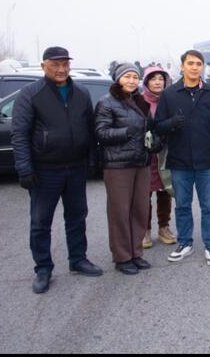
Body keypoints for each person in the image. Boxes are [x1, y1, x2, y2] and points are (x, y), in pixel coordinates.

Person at [11, 46, 103, 294]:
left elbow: (90, 129)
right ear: (44, 67)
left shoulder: (81, 93)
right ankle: (43, 268)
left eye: (65, 64)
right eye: (55, 65)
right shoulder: (30, 94)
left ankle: (78, 259)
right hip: (45, 170)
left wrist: (92, 161)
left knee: (77, 216)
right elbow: (19, 135)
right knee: (41, 222)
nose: (61, 69)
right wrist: (24, 168)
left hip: (75, 168)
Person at [154, 50, 210, 268]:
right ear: (182, 66)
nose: (194, 67)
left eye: (198, 64)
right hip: (179, 161)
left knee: (209, 206)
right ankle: (185, 242)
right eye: (190, 63)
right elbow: (158, 126)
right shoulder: (169, 94)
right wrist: (171, 123)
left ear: (203, 67)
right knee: (182, 205)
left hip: (206, 162)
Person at [94, 63, 157, 275]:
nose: (131, 81)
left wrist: (154, 142)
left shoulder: (140, 101)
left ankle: (136, 252)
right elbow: (101, 132)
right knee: (119, 211)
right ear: (118, 79)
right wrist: (125, 132)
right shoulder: (107, 102)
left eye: (134, 77)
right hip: (118, 165)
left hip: (141, 162)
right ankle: (122, 257)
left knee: (140, 209)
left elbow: (149, 128)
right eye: (127, 76)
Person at [140, 66, 176, 249]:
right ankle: (144, 230)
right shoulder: (139, 101)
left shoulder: (169, 100)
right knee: (143, 193)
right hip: (145, 154)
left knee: (165, 191)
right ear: (146, 82)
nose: (157, 82)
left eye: (160, 79)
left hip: (165, 153)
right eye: (153, 79)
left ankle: (164, 227)